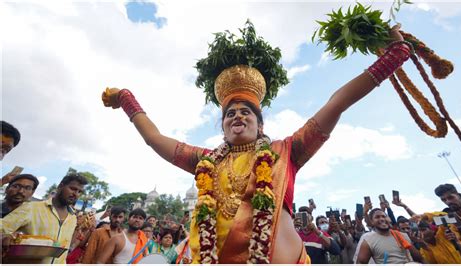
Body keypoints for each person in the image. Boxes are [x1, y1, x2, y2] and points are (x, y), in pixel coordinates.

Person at [101, 24, 411, 263]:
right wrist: (128, 100)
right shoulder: (206, 160)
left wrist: (391, 60)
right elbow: (154, 139)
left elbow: (335, 105)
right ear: (223, 127)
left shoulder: (286, 150)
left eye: (246, 112)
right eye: (229, 114)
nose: (237, 116)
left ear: (260, 123)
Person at [1, 173, 87, 264]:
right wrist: (7, 236)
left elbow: (66, 247)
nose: (75, 194)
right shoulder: (31, 208)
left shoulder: (73, 218)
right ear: (60, 186)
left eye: (79, 192)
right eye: (73, 189)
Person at [355, 208, 424, 264]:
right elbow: (361, 263)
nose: (382, 219)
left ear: (389, 219)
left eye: (384, 216)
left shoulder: (402, 235)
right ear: (372, 222)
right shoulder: (368, 240)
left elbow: (419, 258)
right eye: (377, 217)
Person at [434, 184, 461, 252]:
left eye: (451, 197)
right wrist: (458, 246)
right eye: (444, 200)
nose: (448, 202)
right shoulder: (452, 224)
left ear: (460, 196)